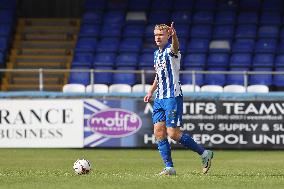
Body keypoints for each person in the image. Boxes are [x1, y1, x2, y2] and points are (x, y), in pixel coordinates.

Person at [144, 22, 213, 176]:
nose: (157, 37)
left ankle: (204, 153)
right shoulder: (156, 54)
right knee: (158, 132)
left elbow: (176, 47)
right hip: (159, 98)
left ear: (168, 35)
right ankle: (169, 168)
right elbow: (158, 76)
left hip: (172, 96)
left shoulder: (171, 50)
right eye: (155, 35)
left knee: (173, 134)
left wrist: (175, 36)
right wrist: (150, 91)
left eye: (161, 34)